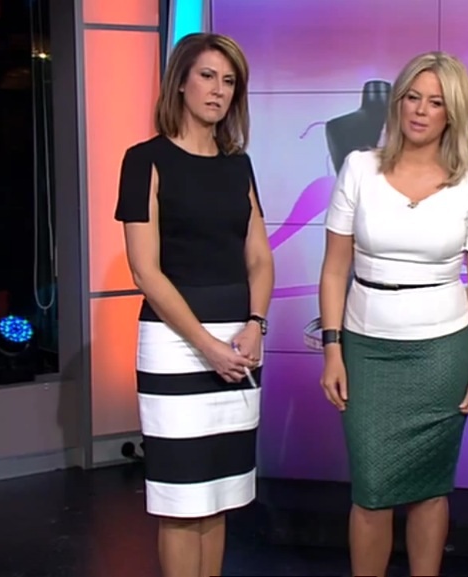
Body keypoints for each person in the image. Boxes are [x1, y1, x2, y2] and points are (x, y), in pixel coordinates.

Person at [317, 51, 468, 577]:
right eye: (413, 98)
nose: (420, 111)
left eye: (435, 102)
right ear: (397, 103)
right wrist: (333, 349)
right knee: (371, 489)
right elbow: (334, 269)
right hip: (367, 348)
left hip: (442, 353)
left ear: (453, 113)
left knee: (429, 488)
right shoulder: (359, 168)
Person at [113, 33, 273, 577]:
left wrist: (256, 324)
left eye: (229, 82)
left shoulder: (238, 166)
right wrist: (205, 344)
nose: (218, 90)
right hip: (176, 344)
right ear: (180, 82)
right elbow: (145, 271)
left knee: (219, 494)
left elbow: (260, 258)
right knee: (182, 500)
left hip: (239, 343)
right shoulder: (144, 161)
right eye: (207, 76)